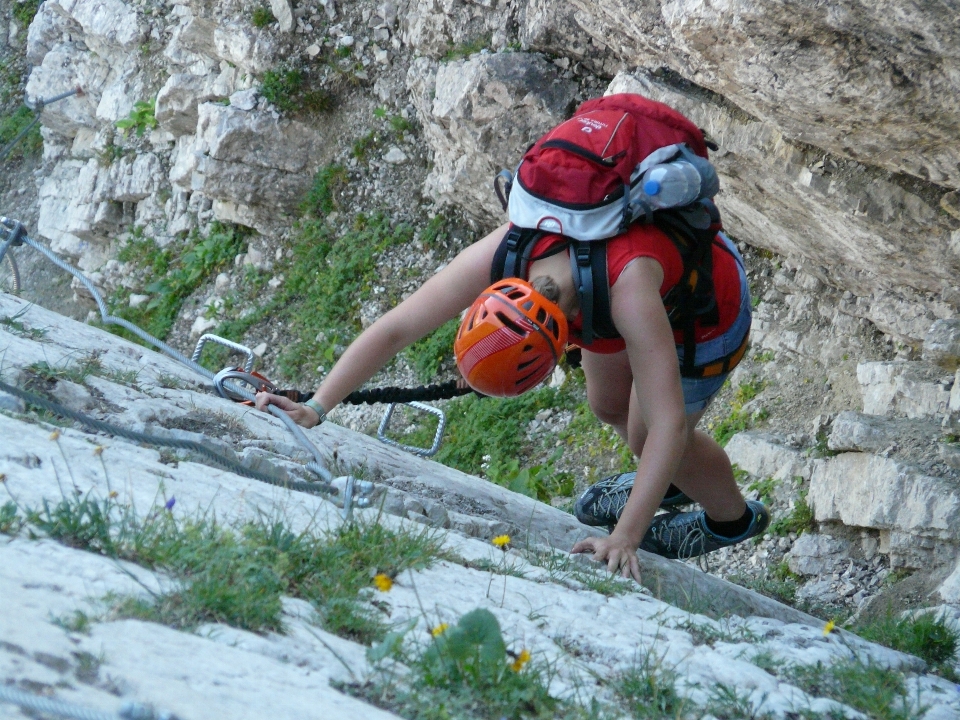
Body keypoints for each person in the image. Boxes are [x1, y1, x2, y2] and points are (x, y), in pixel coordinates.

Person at [255, 209, 768, 583]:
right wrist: (317, 406)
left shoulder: (628, 293)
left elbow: (669, 426)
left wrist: (625, 537)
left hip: (703, 310)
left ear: (562, 336)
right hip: (626, 292)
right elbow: (398, 327)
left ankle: (731, 520)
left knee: (646, 435)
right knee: (607, 404)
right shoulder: (511, 249)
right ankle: (668, 481)